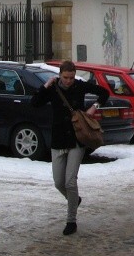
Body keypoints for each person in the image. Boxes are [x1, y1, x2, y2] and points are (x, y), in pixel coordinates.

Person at [31, 59, 109, 235]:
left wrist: (94, 107)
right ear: (60, 75)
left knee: (70, 181)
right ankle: (74, 200)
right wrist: (45, 86)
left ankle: (71, 220)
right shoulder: (52, 89)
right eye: (65, 77)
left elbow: (104, 92)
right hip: (58, 139)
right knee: (59, 182)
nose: (68, 81)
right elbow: (34, 103)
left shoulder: (80, 86)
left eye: (71, 77)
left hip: (77, 138)